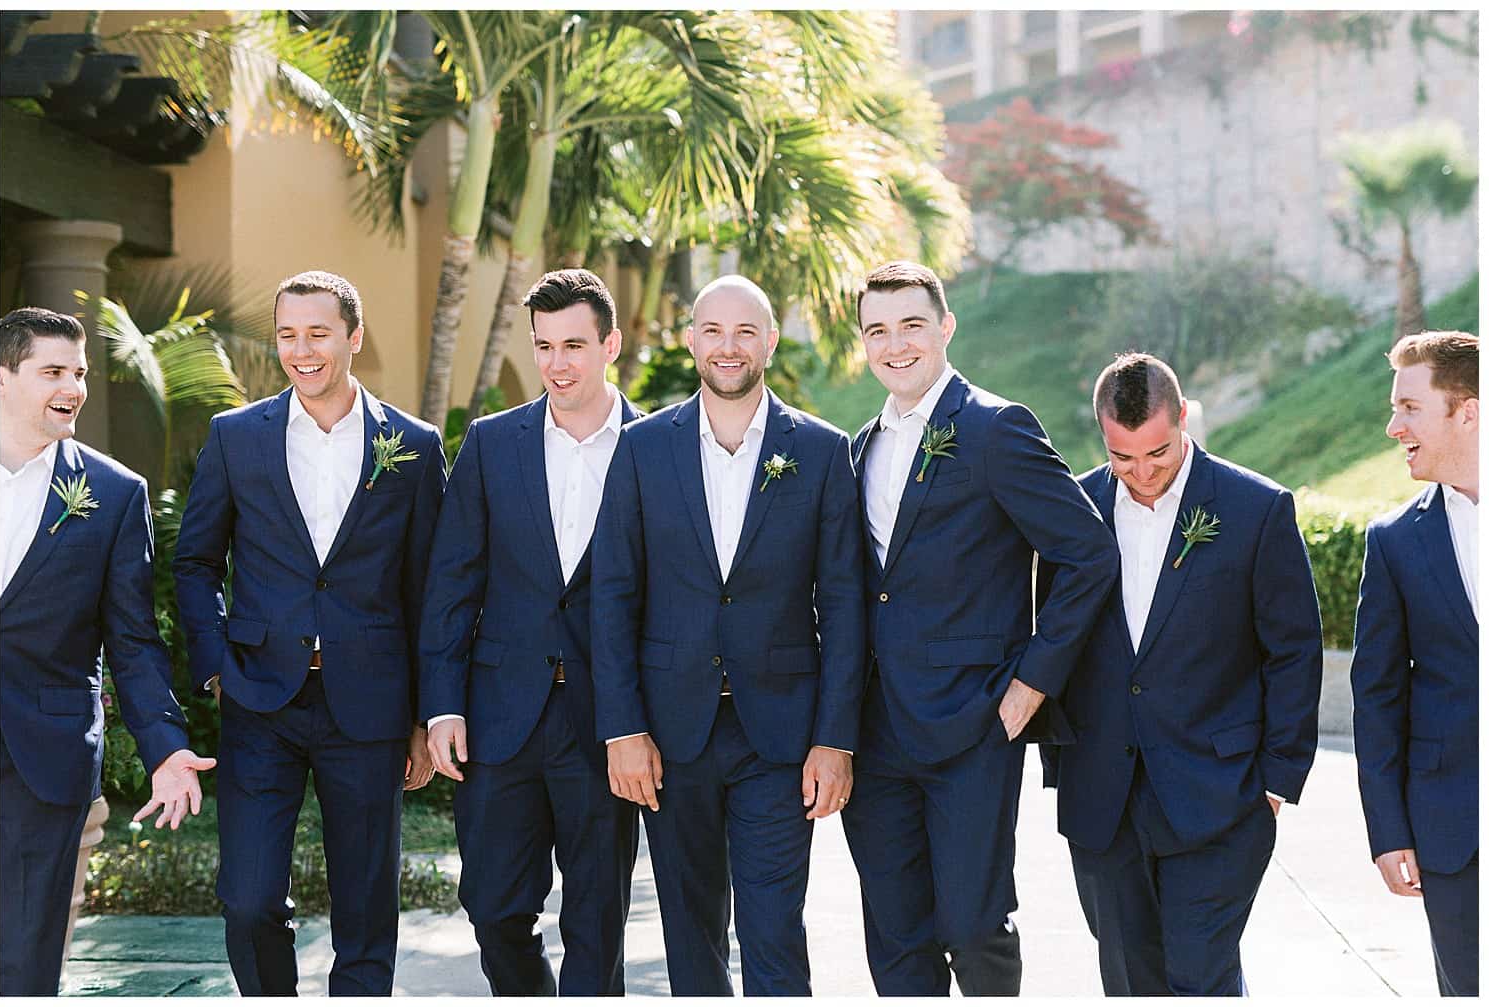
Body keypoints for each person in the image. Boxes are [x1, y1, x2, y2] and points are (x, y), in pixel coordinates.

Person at [841, 261, 1118, 995]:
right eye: (877, 330)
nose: (895, 345)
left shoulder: (997, 428)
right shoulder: (860, 445)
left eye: (911, 326)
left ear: (945, 328)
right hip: (873, 732)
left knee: (972, 923)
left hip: (970, 725)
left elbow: (1087, 552)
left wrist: (1032, 682)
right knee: (896, 938)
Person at [590, 275, 865, 995]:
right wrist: (622, 728)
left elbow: (843, 604)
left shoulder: (823, 451)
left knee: (774, 928)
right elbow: (614, 595)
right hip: (669, 734)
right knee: (690, 930)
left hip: (779, 735)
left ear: (770, 340)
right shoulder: (643, 448)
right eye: (713, 331)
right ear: (691, 340)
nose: (729, 346)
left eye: (746, 331)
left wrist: (834, 738)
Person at [173, 271, 444, 995]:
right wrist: (217, 665)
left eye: (318, 333)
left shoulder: (412, 445)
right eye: (288, 334)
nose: (302, 349)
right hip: (260, 699)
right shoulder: (236, 438)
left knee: (366, 906)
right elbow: (195, 560)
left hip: (371, 704)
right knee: (249, 898)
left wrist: (423, 712)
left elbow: (429, 588)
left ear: (353, 337)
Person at [1043, 352, 1323, 995]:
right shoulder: (1072, 510)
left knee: (1202, 976)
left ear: (1185, 419)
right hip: (1100, 801)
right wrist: (1061, 768)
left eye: (1158, 454)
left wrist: (1278, 779)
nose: (1142, 474)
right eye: (1122, 457)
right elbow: (1055, 639)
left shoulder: (1257, 509)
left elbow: (1294, 650)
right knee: (1128, 980)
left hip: (1221, 796)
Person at [417, 269, 641, 994]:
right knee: (493, 906)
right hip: (499, 715)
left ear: (611, 343)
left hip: (610, 719)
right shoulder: (491, 442)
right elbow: (453, 582)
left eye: (574, 344)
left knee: (598, 916)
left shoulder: (660, 444)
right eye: (544, 346)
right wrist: (442, 704)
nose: (556, 364)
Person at [0, 307, 212, 995]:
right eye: (53, 370)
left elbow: (133, 638)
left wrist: (166, 748)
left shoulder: (114, 495)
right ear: (3, 375)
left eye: (80, 372)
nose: (74, 386)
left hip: (42, 756)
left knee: (22, 959)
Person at [1352, 331, 1478, 997]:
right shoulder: (1396, 540)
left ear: (1468, 410)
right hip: (1453, 830)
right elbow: (1376, 697)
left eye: (1409, 406)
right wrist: (1389, 829)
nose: (1393, 425)